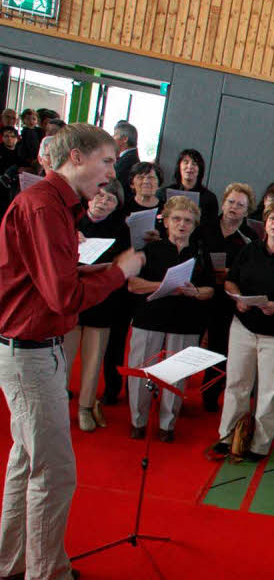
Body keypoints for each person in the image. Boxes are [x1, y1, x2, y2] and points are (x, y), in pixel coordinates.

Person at [0, 123, 145, 580]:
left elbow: (51, 274)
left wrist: (100, 270)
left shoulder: (55, 204)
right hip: (30, 350)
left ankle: (12, 561)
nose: (112, 173)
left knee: (27, 461)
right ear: (77, 157)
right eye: (107, 162)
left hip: (35, 347)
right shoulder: (44, 205)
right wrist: (118, 274)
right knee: (55, 470)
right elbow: (63, 296)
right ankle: (46, 577)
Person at [212, 200, 274, 461]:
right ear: (265, 222)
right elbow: (232, 281)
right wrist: (238, 299)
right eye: (271, 219)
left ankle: (258, 444)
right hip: (244, 327)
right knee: (237, 383)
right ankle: (227, 437)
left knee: (270, 390)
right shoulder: (250, 250)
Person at [124, 196, 215, 441]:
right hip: (149, 318)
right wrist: (164, 286)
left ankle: (167, 424)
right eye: (176, 219)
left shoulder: (199, 253)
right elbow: (132, 285)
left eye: (187, 221)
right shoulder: (150, 250)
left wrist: (195, 292)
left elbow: (210, 290)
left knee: (177, 374)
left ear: (194, 225)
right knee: (141, 371)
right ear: (166, 222)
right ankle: (138, 420)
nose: (181, 225)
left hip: (184, 321)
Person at [66, 179, 129, 432]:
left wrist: (104, 269)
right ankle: (59, 402)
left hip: (102, 301)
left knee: (93, 360)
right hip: (72, 298)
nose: (104, 202)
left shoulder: (121, 229)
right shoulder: (73, 221)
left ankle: (85, 407)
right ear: (89, 197)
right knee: (64, 356)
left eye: (111, 199)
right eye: (100, 196)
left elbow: (122, 266)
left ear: (117, 206)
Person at [101, 161, 163, 406]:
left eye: (152, 178)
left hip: (152, 279)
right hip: (124, 279)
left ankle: (141, 390)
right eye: (142, 178)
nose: (147, 182)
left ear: (159, 184)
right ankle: (112, 387)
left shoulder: (167, 210)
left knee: (148, 340)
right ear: (132, 182)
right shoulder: (122, 209)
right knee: (116, 338)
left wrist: (159, 240)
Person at [197, 182, 256, 412]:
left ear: (247, 210)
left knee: (219, 347)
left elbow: (250, 271)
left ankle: (210, 393)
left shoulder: (249, 238)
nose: (233, 208)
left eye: (240, 205)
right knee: (191, 343)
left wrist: (232, 273)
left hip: (226, 299)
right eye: (230, 202)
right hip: (199, 293)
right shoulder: (205, 227)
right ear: (223, 202)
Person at [157, 149, 219, 231]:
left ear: (200, 169)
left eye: (194, 164)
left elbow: (211, 227)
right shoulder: (163, 193)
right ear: (179, 166)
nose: (189, 167)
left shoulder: (209, 198)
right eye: (186, 162)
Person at [112, 120, 139, 196]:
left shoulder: (129, 161)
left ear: (124, 139)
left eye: (115, 135)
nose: (112, 138)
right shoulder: (125, 158)